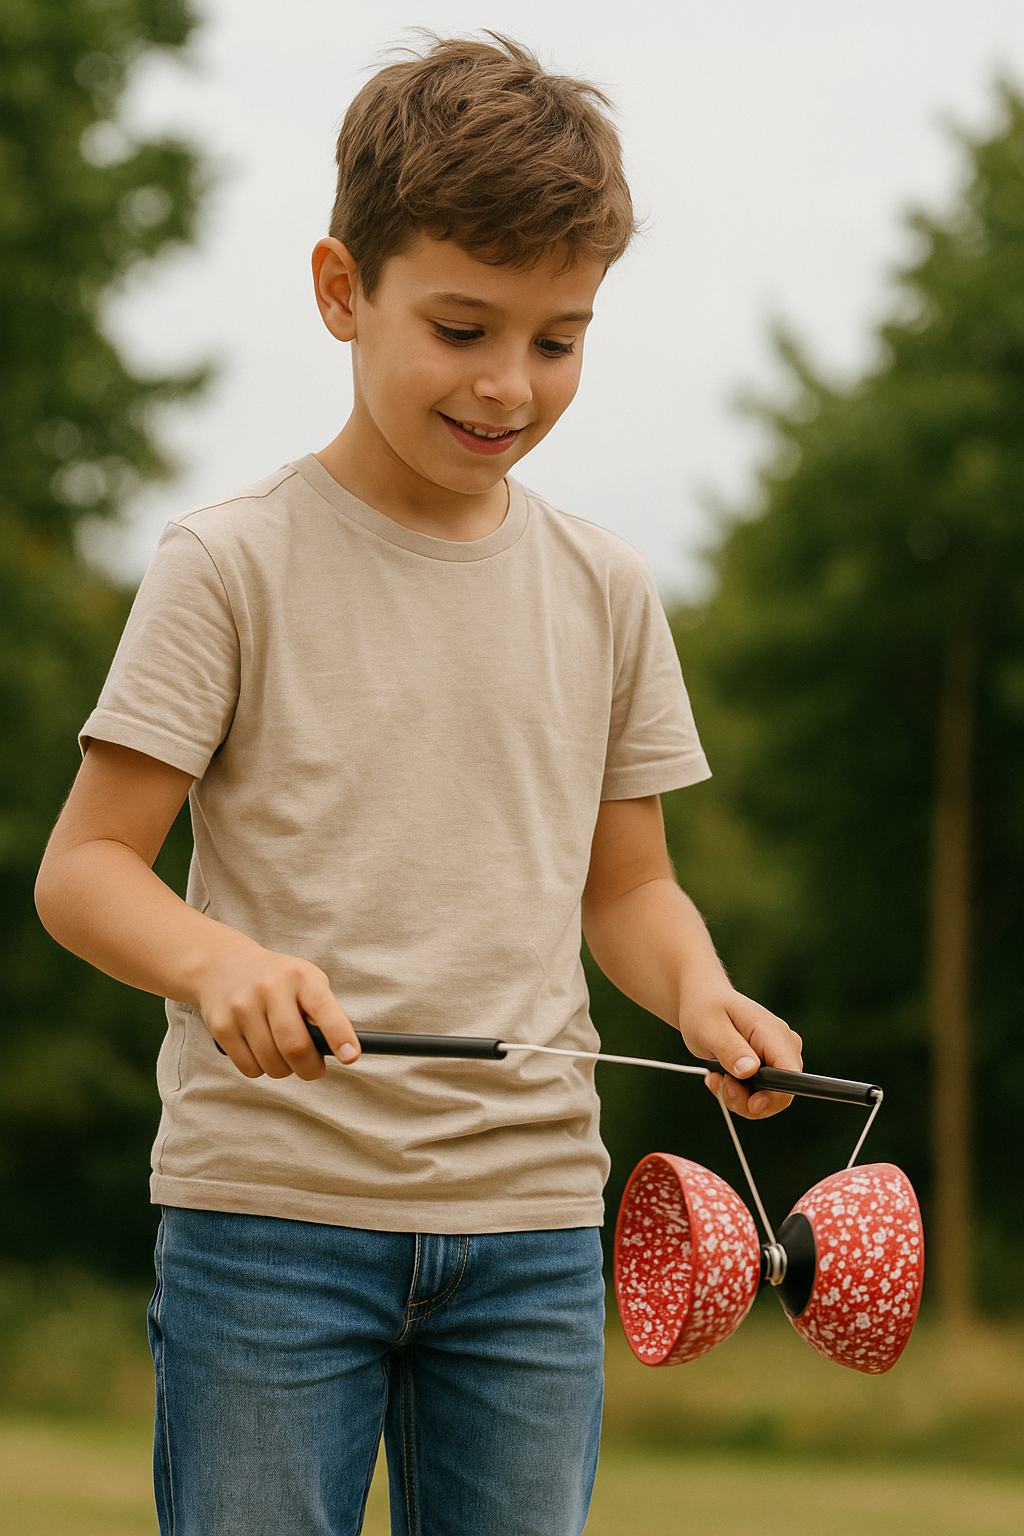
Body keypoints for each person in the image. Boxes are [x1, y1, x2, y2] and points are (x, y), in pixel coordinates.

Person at [34, 33, 801, 1536]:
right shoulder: (229, 564)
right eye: (462, 327)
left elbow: (629, 888)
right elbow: (85, 871)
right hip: (269, 1221)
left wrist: (699, 996)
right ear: (343, 292)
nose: (510, 384)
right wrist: (223, 967)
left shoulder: (604, 588)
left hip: (527, 1230)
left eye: (559, 338)